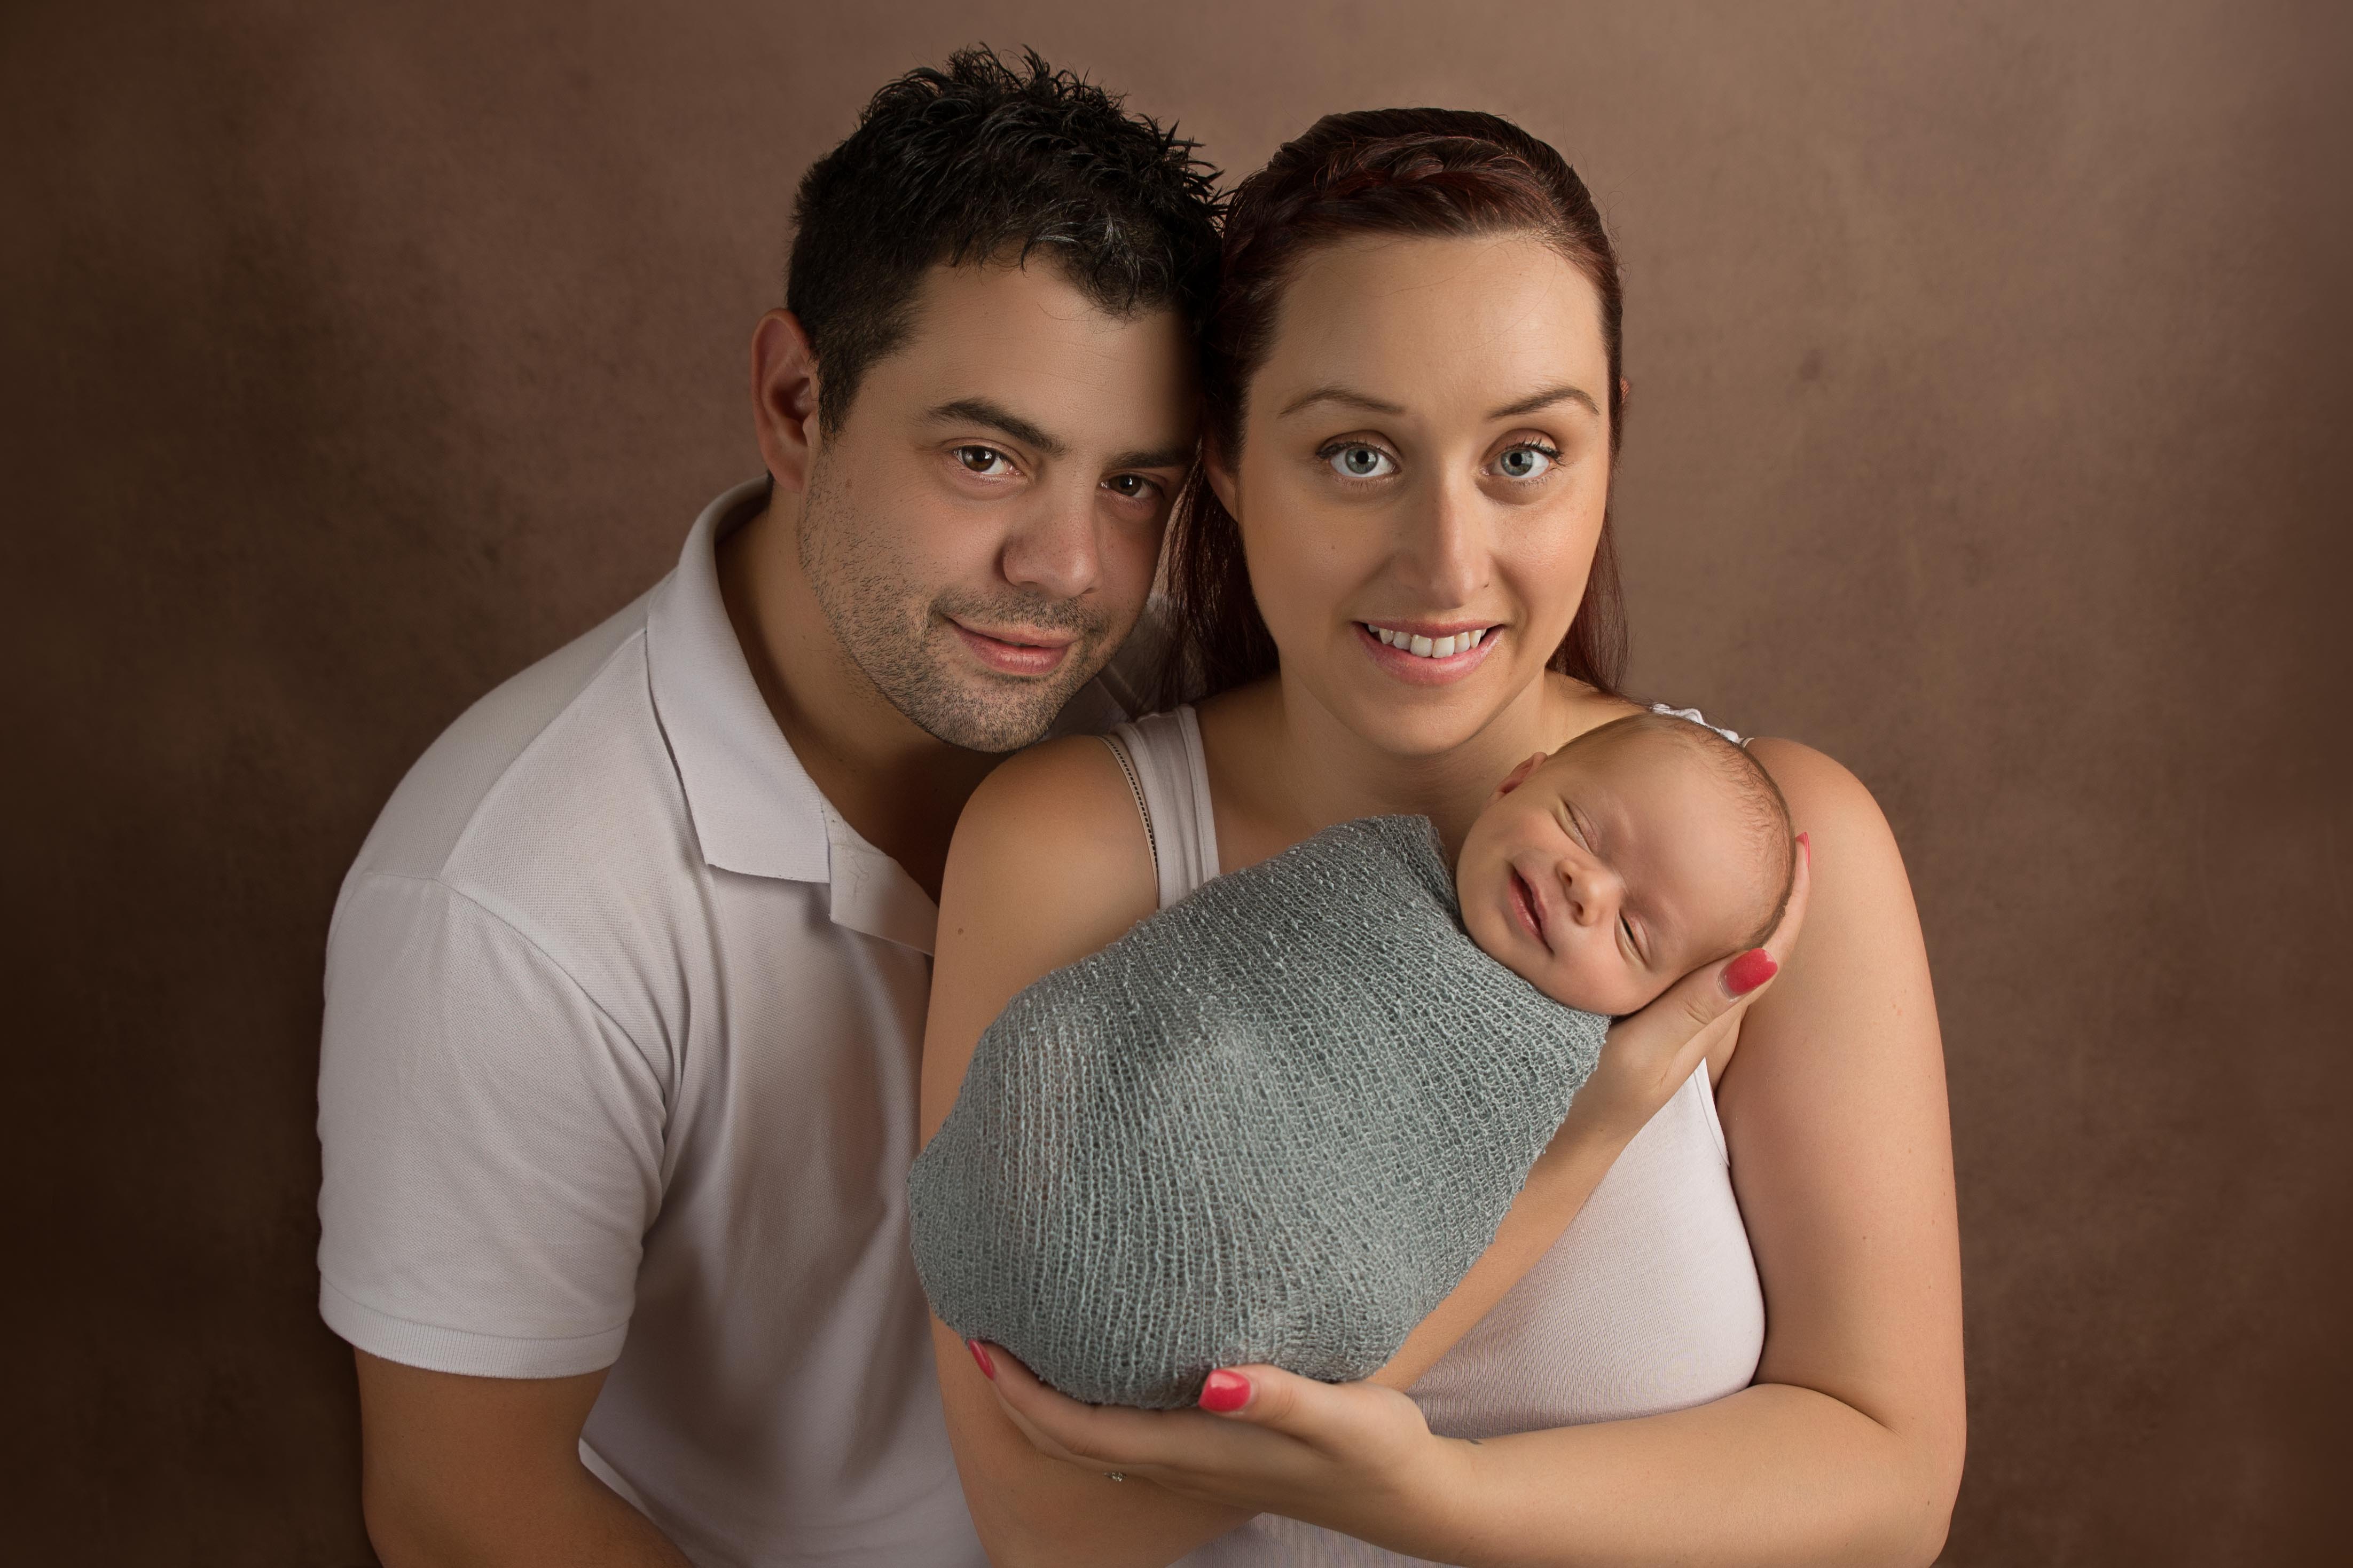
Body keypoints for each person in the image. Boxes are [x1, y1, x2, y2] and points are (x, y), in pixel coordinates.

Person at [921, 108, 1963, 1564]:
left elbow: (1886, 1485)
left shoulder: (1772, 861)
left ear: (1608, 448)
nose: (1447, 562)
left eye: (1524, 455)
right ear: (1221, 458)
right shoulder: (1078, 846)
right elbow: (1048, 1531)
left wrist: (1436, 1500)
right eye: (1355, 457)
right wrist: (1579, 1135)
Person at [313, 48, 1219, 1566]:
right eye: (987, 456)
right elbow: (460, 1503)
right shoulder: (511, 895)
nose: (1069, 569)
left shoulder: (1172, 707)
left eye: (1132, 485)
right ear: (797, 404)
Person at [911, 712, 1798, 1411]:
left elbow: (1407, 1216)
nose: (1584, 886)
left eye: (1633, 931)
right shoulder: (1361, 867)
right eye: (1580, 826)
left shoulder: (1554, 1067)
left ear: (1656, 999)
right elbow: (1190, 978)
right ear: (1519, 779)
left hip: (1247, 1250)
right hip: (1082, 1121)